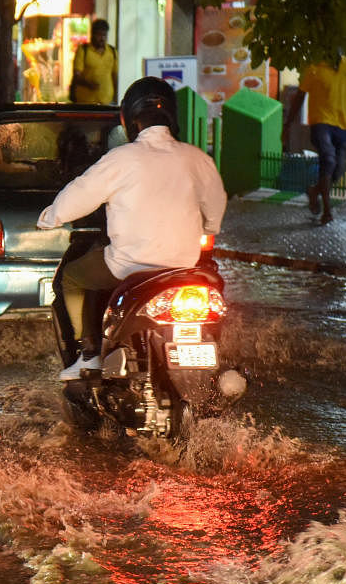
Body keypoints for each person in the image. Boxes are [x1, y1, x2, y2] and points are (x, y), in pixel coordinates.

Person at [38, 76, 227, 380]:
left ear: (129, 120)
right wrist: (209, 226)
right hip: (184, 268)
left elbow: (80, 194)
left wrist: (50, 218)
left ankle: (88, 356)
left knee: (72, 277)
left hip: (129, 267)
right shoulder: (198, 159)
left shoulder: (121, 159)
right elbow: (215, 208)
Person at [282, 55, 346, 225]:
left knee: (338, 169)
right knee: (328, 159)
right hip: (320, 122)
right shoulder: (314, 67)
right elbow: (300, 96)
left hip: (342, 125)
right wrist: (288, 124)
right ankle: (327, 210)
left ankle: (315, 190)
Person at [69, 19, 118, 104]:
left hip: (107, 101)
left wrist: (117, 97)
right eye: (99, 35)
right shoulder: (83, 50)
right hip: (85, 102)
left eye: (104, 35)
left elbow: (115, 76)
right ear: (92, 35)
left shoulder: (112, 52)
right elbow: (76, 75)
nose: (102, 38)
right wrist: (88, 84)